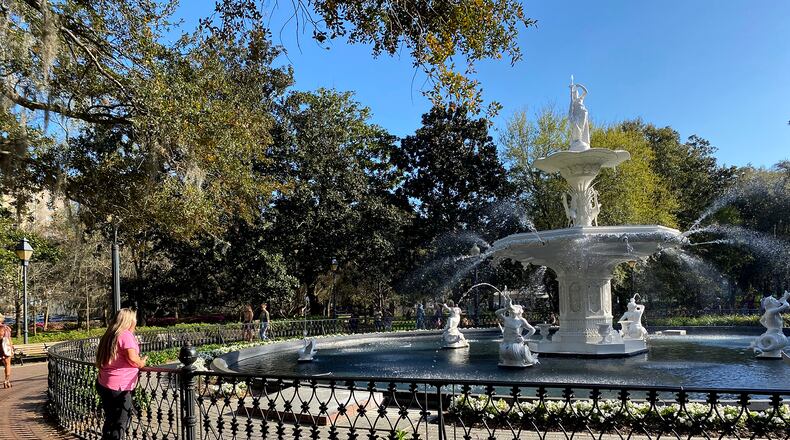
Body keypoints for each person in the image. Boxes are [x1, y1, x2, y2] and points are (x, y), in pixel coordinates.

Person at [95, 308, 147, 440]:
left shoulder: (110, 334)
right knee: (120, 423)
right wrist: (141, 362)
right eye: (134, 320)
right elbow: (132, 358)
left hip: (104, 383)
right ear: (130, 321)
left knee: (110, 420)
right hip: (119, 387)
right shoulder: (125, 335)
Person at [0, 313, 13, 388]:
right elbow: (9, 339)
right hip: (6, 349)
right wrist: (11, 348)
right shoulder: (6, 328)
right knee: (7, 364)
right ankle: (6, 381)